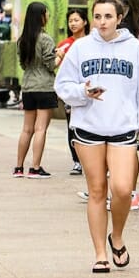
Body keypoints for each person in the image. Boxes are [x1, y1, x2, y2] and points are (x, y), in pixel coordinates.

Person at [54, 0, 139, 274]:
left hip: (123, 129)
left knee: (122, 189)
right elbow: (62, 85)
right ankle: (100, 253)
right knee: (97, 190)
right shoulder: (81, 48)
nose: (102, 23)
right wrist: (83, 93)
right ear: (91, 19)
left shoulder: (134, 48)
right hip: (88, 129)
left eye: (108, 17)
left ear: (119, 17)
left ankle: (118, 236)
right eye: (97, 17)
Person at [13, 1, 57, 179]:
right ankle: (35, 168)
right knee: (40, 129)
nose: (47, 17)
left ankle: (18, 167)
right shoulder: (46, 39)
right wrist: (59, 55)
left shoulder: (22, 40)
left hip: (28, 87)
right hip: (45, 86)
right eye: (46, 13)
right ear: (41, 17)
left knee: (26, 129)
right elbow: (51, 64)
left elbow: (23, 65)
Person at [55, 9, 90, 176]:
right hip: (73, 92)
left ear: (85, 22)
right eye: (70, 21)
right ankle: (77, 161)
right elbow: (56, 67)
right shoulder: (64, 44)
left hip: (90, 90)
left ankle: (91, 161)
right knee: (72, 126)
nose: (73, 23)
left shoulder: (93, 41)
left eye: (76, 20)